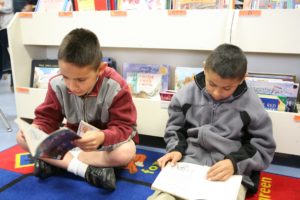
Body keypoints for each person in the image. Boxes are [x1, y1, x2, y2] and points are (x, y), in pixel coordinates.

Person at [148, 43, 276, 200]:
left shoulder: (251, 104)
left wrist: (234, 163)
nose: (217, 93)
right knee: (163, 198)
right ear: (204, 68)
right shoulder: (186, 94)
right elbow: (175, 128)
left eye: (227, 88)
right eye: (212, 84)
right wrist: (175, 149)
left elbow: (263, 146)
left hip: (229, 170)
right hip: (188, 163)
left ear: (243, 78)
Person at [16, 28, 139, 190]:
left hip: (105, 145)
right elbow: (47, 119)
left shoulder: (116, 86)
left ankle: (58, 163)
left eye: (81, 79)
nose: (72, 86)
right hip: (74, 142)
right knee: (22, 138)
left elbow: (125, 127)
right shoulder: (56, 83)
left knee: (126, 151)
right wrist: (36, 129)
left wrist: (102, 137)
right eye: (66, 77)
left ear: (100, 70)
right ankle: (85, 170)